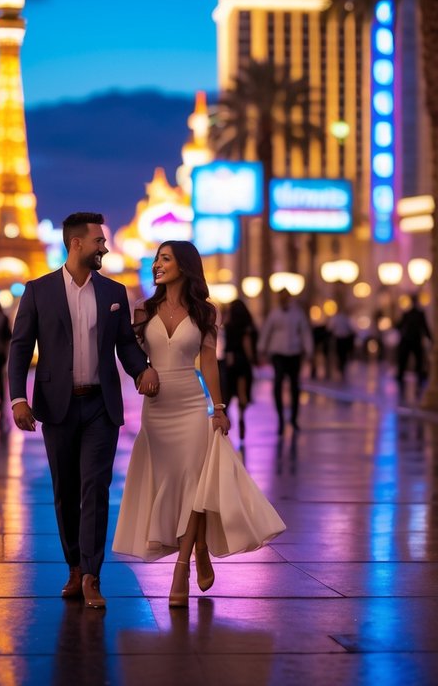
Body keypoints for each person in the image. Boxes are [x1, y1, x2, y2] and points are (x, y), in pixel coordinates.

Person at [113, 240, 285, 607]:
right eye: (157, 258)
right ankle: (201, 544)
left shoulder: (206, 313)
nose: (158, 264)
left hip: (192, 403)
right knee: (170, 482)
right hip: (157, 407)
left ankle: (182, 568)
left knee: (194, 482)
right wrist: (140, 374)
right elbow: (131, 355)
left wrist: (218, 408)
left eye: (165, 258)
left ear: (184, 266)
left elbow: (209, 363)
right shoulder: (144, 309)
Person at [8, 212, 159, 610]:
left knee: (95, 488)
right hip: (56, 406)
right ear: (76, 244)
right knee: (65, 492)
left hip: (99, 405)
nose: (105, 248)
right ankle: (74, 565)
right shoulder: (38, 291)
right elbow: (20, 347)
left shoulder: (113, 291)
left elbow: (125, 343)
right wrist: (17, 398)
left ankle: (92, 574)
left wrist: (142, 369)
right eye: (99, 241)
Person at [258, 290, 313, 434]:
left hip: (294, 353)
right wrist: (262, 348)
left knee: (295, 386)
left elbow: (305, 332)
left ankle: (294, 419)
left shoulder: (297, 314)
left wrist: (309, 350)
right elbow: (266, 332)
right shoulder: (274, 314)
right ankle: (280, 418)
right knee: (278, 384)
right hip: (278, 354)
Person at [220, 300, 257, 439]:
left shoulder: (228, 325)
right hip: (242, 361)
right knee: (242, 393)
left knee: (227, 393)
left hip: (229, 361)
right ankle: (242, 417)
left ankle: (226, 415)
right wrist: (252, 359)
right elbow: (246, 343)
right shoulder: (246, 326)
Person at [396, 295, 432, 396]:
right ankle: (417, 378)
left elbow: (399, 326)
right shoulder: (416, 314)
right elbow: (425, 328)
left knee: (410, 360)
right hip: (413, 341)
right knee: (415, 361)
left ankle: (403, 376)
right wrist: (430, 339)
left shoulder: (409, 314)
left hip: (410, 340)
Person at [328, 307, 356, 379]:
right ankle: (341, 366)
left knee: (340, 353)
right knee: (343, 354)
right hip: (343, 339)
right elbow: (350, 328)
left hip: (340, 339)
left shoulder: (337, 318)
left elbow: (330, 328)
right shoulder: (345, 318)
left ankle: (341, 366)